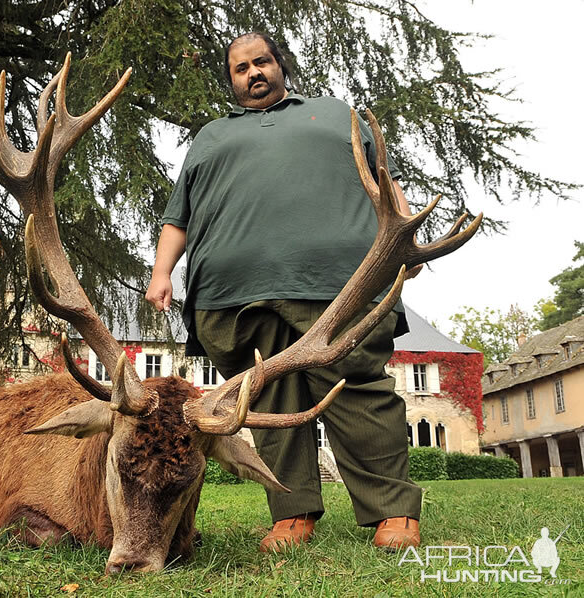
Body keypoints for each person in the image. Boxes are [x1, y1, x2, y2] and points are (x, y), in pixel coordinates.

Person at [145, 32, 422, 552]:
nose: (253, 73)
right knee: (267, 400)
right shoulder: (209, 137)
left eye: (262, 62)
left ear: (280, 65)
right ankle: (292, 514)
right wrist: (162, 272)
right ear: (230, 81)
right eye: (240, 68)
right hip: (230, 294)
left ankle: (393, 511)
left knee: (358, 388)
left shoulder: (335, 114)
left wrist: (405, 233)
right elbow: (177, 217)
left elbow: (383, 176)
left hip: (337, 283)